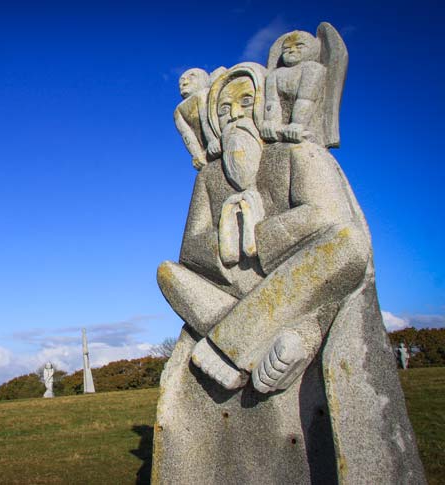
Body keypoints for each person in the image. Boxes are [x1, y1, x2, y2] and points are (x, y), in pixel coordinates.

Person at [153, 63, 423, 483]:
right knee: (167, 274)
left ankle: (243, 344)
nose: (235, 114)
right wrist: (225, 234)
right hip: (231, 293)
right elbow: (190, 250)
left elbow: (330, 219)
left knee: (346, 248)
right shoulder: (209, 177)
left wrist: (260, 232)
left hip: (297, 283)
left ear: (267, 104)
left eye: (246, 101)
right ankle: (275, 337)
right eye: (223, 109)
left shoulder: (297, 154)